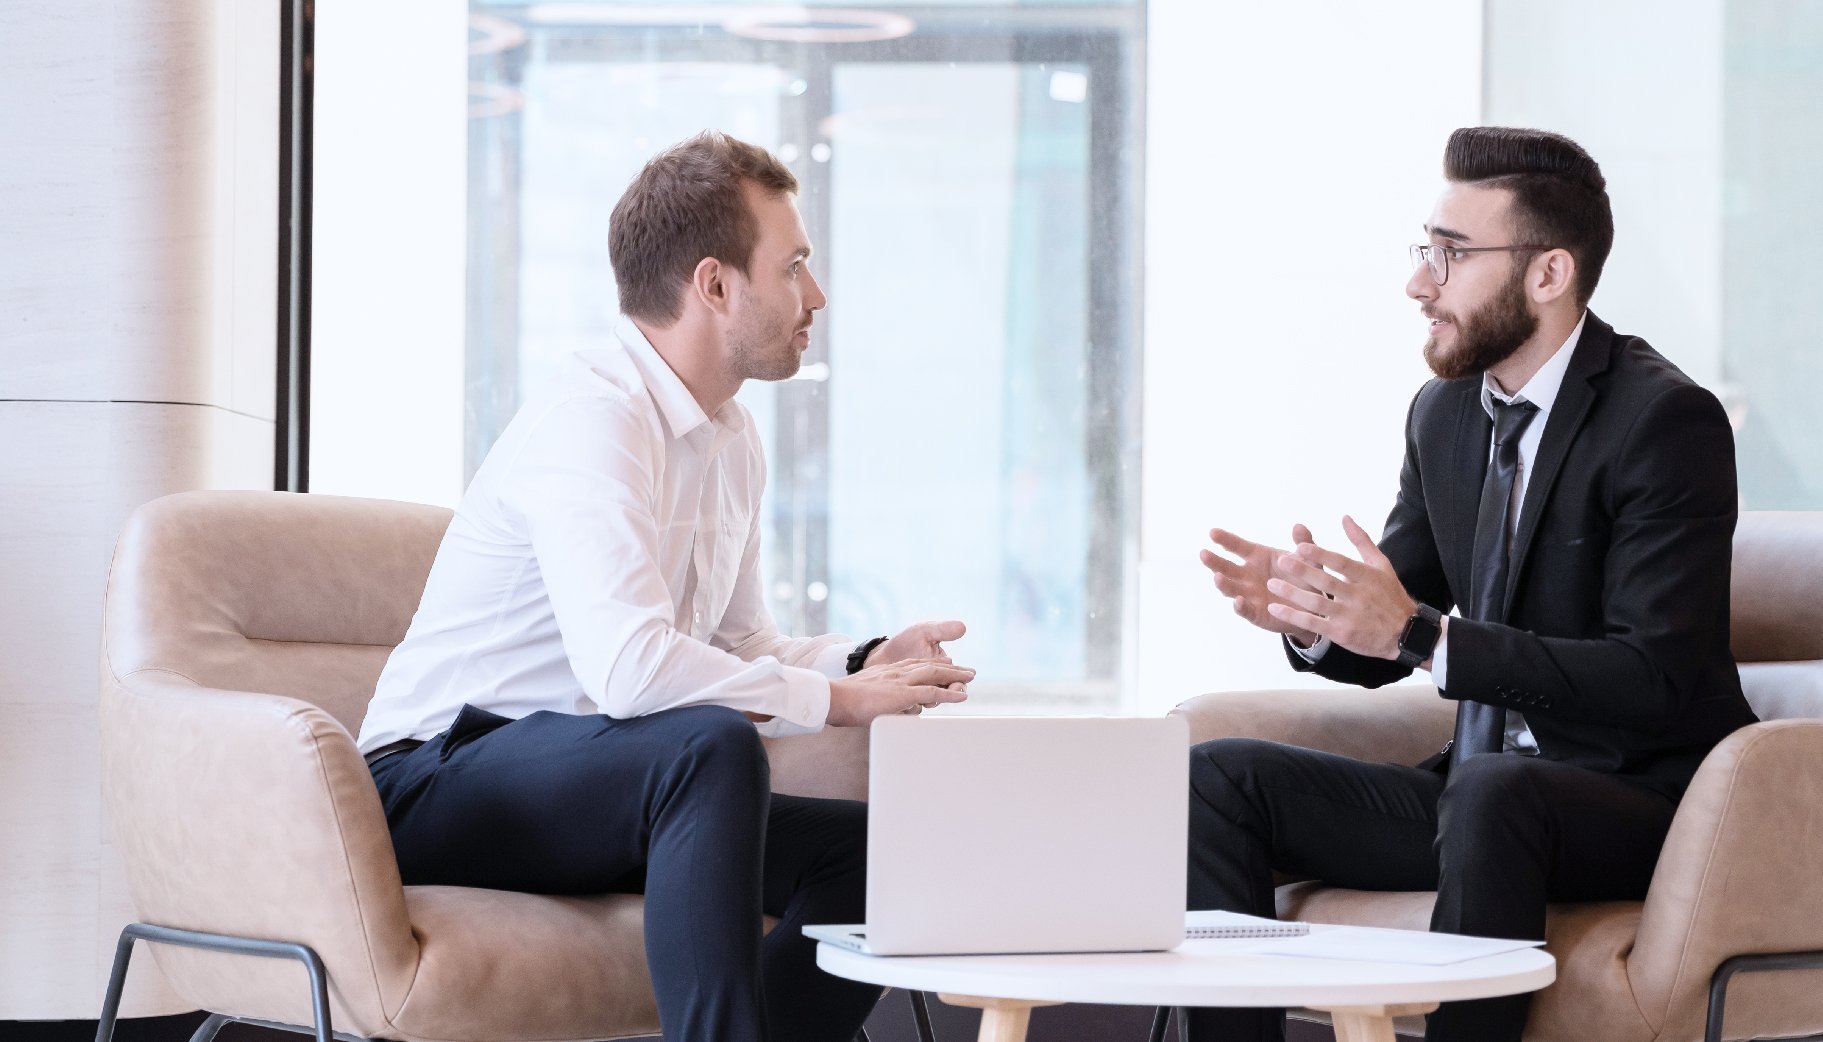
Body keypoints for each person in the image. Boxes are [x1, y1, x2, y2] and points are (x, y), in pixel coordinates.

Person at [355, 131, 976, 1042]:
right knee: (709, 746)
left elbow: (741, 647)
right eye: (794, 264)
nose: (817, 295)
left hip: (605, 781)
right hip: (433, 778)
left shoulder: (730, 439)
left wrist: (864, 661)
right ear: (715, 284)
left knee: (888, 855)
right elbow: (631, 674)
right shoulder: (593, 419)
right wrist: (837, 700)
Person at [1189, 126, 1757, 1042]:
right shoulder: (1445, 413)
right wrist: (1313, 615)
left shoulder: (1664, 422)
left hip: (1639, 798)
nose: (1420, 284)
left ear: (1547, 274)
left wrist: (1418, 634)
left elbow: (1652, 680)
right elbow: (1388, 620)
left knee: (1494, 790)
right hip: (1480, 794)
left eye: (1449, 256)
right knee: (1217, 778)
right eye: (1426, 252)